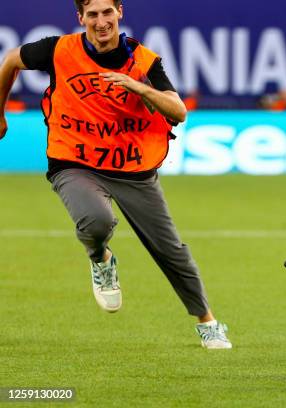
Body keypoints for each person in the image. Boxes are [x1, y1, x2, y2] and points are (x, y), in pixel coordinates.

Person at [0, 0, 232, 349]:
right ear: (81, 18)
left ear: (119, 12)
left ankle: (207, 321)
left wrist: (139, 87)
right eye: (92, 14)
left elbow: (178, 111)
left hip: (132, 168)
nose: (101, 21)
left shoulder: (144, 61)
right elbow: (12, 60)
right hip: (74, 160)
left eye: (107, 12)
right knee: (95, 221)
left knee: (171, 251)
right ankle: (101, 259)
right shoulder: (58, 49)